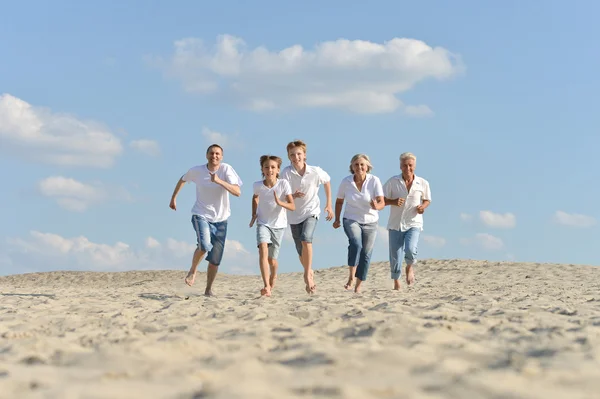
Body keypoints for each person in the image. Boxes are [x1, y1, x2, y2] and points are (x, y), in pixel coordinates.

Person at [169, 144, 242, 296]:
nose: (214, 156)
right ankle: (193, 271)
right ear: (206, 155)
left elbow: (237, 192)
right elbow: (183, 179)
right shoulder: (197, 171)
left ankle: (208, 289)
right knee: (204, 245)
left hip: (221, 219)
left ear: (221, 157)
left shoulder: (226, 170)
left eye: (217, 154)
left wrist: (219, 181)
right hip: (201, 214)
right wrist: (174, 197)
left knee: (215, 259)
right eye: (211, 153)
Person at [281, 140, 333, 294]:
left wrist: (328, 204)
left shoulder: (315, 171)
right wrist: (293, 195)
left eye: (298, 154)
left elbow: (327, 181)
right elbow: (283, 194)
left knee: (306, 238)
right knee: (299, 249)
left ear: (304, 155)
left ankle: (307, 275)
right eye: (292, 155)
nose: (296, 157)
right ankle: (309, 270)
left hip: (311, 211)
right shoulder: (286, 172)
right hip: (293, 214)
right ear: (289, 157)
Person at [333, 154, 385, 293]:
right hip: (351, 218)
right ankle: (351, 276)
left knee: (366, 253)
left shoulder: (374, 180)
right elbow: (339, 201)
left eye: (362, 164)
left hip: (371, 221)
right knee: (356, 244)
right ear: (352, 167)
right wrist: (337, 219)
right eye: (356, 164)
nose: (359, 167)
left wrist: (376, 206)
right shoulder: (346, 182)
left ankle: (358, 285)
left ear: (368, 166)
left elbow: (382, 202)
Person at [383, 152, 431, 289]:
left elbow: (427, 199)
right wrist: (393, 201)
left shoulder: (422, 183)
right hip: (395, 223)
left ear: (414, 166)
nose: (408, 168)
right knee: (395, 256)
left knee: (410, 249)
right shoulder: (393, 182)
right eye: (405, 165)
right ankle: (396, 282)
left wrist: (423, 207)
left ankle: (409, 267)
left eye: (410, 165)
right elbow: (381, 199)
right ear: (400, 166)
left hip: (413, 222)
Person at [249, 155, 295, 297]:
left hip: (279, 226)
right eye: (266, 167)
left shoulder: (283, 184)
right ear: (262, 169)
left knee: (272, 260)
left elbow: (292, 206)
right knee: (263, 249)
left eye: (273, 167)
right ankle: (266, 286)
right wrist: (254, 213)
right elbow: (255, 197)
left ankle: (273, 275)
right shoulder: (257, 185)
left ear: (278, 170)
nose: (269, 170)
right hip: (263, 223)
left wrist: (280, 203)